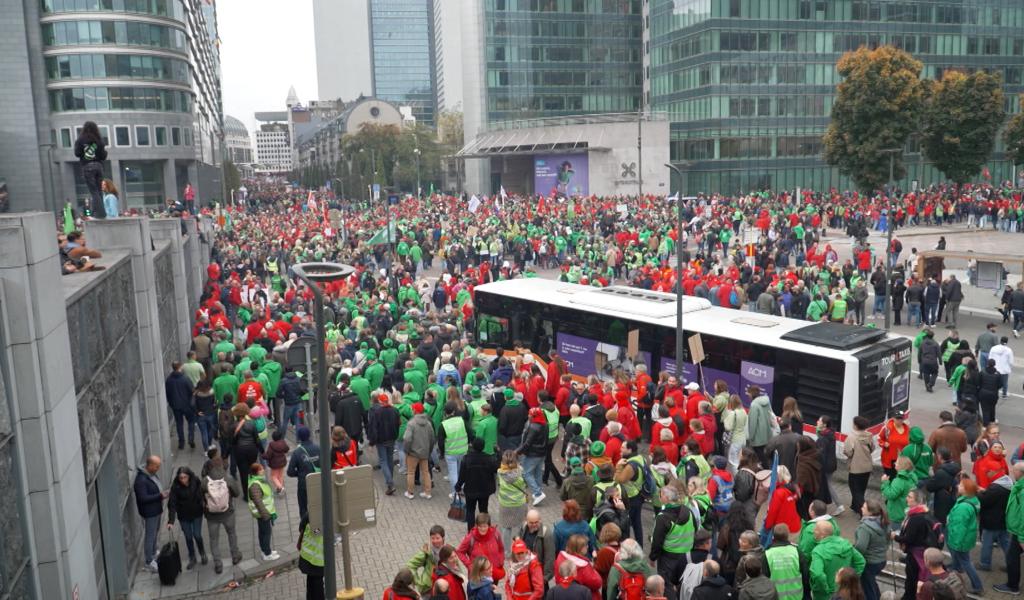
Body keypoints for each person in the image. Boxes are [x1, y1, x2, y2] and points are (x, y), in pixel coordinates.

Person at [200, 447, 242, 575]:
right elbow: (237, 493)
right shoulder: (227, 478)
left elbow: (200, 498)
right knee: (231, 533)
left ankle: (218, 564)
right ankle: (235, 555)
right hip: (228, 512)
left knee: (214, 540)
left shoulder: (204, 482)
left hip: (212, 516)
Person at [650, 484, 696, 599]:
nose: (659, 497)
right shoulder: (688, 511)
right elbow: (695, 529)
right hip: (686, 556)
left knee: (667, 586)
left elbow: (657, 541)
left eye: (661, 495)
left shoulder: (662, 517)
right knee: (682, 583)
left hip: (668, 558)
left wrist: (652, 557)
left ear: (666, 498)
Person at [807, 521, 865, 600]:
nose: (813, 531)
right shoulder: (845, 544)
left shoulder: (818, 551)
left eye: (816, 529)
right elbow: (861, 562)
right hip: (844, 591)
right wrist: (851, 580)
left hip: (825, 595)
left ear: (822, 535)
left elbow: (818, 574)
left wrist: (825, 589)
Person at [945, 478, 983, 594]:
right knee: (963, 560)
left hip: (960, 540)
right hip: (966, 538)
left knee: (966, 562)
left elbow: (960, 528)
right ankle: (955, 571)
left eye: (961, 485)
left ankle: (977, 586)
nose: (958, 486)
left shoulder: (963, 507)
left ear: (966, 490)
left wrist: (956, 544)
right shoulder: (972, 500)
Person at [166, 466, 207, 569]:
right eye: (181, 478)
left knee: (197, 535)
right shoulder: (176, 487)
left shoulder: (195, 481)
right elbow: (172, 504)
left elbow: (201, 494)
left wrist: (204, 503)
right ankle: (192, 557)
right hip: (184, 516)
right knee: (188, 537)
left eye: (185, 477)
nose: (183, 480)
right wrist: (171, 521)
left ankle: (202, 553)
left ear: (189, 476)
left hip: (197, 513)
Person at [893, 489, 931, 600]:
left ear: (917, 501)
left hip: (915, 554)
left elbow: (908, 539)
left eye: (910, 497)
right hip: (920, 550)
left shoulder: (915, 518)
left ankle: (909, 597)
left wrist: (895, 537)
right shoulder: (923, 513)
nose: (907, 499)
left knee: (911, 579)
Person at [993, 461, 1024, 595]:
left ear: (1020, 473)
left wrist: (1022, 537)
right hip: (1017, 530)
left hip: (1020, 532)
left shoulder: (1022, 491)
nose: (1012, 472)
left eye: (1014, 470)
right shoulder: (1020, 486)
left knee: (1012, 558)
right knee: (1012, 557)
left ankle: (1012, 586)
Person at [456, 438, 499, 531]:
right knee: (483, 510)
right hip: (484, 490)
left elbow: (462, 476)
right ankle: (487, 530)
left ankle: (471, 532)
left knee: (470, 511)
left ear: (473, 446)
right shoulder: (489, 458)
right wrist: (498, 453)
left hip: (470, 490)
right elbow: (497, 468)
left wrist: (458, 486)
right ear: (483, 447)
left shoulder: (466, 458)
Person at [133, 455, 167, 572]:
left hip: (156, 509)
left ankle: (153, 552)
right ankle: (149, 561)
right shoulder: (141, 480)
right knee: (150, 535)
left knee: (155, 532)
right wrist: (160, 495)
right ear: (150, 465)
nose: (158, 468)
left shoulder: (150, 474)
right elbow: (143, 498)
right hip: (150, 512)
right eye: (157, 466)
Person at [978, 469, 1013, 572]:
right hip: (1004, 519)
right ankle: (1011, 564)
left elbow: (984, 501)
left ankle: (985, 564)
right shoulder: (1008, 483)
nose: (986, 474)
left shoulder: (995, 488)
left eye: (987, 472)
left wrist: (978, 493)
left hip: (991, 520)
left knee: (987, 543)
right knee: (1006, 543)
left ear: (993, 472)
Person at [853, 500, 888, 600]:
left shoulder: (865, 528)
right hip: (881, 560)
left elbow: (860, 547)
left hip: (869, 563)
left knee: (867, 589)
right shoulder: (884, 522)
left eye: (864, 507)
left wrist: (852, 555)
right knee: (871, 583)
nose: (861, 508)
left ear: (870, 512)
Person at [456, 514, 506, 583]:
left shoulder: (495, 534)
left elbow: (501, 548)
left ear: (489, 526)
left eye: (485, 526)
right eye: (480, 526)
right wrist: (469, 565)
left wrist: (501, 560)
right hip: (478, 575)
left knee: (492, 588)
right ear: (476, 526)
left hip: (493, 573)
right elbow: (460, 552)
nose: (482, 529)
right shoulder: (470, 538)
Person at [368, 393, 401, 496]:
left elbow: (374, 428)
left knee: (383, 461)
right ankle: (390, 479)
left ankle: (390, 483)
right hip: (392, 439)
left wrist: (372, 442)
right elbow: (398, 423)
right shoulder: (395, 410)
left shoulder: (377, 412)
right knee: (390, 459)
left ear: (380, 401)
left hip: (381, 440)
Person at [517, 407, 550, 506]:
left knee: (526, 473)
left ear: (534, 416)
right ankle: (538, 491)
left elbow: (527, 443)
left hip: (533, 454)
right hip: (542, 453)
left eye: (530, 415)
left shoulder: (533, 427)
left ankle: (538, 493)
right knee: (538, 473)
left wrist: (518, 452)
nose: (528, 416)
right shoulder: (545, 424)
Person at [75, 120, 108, 218]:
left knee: (93, 191)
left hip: (87, 166)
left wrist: (85, 152)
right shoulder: (99, 140)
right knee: (99, 191)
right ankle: (96, 213)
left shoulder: (80, 140)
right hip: (98, 166)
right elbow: (103, 156)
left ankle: (101, 213)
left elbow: (77, 153)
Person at [553, 534, 602, 600]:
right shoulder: (583, 566)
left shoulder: (561, 558)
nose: (587, 547)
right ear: (580, 548)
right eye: (585, 545)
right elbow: (597, 583)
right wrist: (593, 569)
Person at [286, 425, 320, 520]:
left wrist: (300, 473)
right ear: (309, 435)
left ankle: (306, 526)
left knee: (304, 507)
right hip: (318, 481)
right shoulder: (318, 448)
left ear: (299, 437)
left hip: (304, 484)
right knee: (318, 505)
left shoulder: (297, 452)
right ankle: (319, 524)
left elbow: (290, 472)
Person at [843, 416, 875, 516]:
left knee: (856, 491)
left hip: (855, 468)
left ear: (856, 426)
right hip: (867, 467)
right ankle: (855, 506)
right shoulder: (869, 435)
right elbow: (872, 448)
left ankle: (864, 512)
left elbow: (848, 452)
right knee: (861, 489)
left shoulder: (852, 437)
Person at [247, 462, 279, 561]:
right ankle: (267, 554)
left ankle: (264, 550)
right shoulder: (255, 485)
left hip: (264, 512)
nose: (263, 470)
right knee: (266, 533)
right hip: (263, 514)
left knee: (262, 532)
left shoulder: (258, 480)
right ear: (256, 472)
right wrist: (266, 515)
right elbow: (258, 502)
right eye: (261, 469)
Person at [404, 401, 436, 499]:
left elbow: (407, 439)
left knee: (411, 472)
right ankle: (427, 492)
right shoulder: (428, 423)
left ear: (415, 410)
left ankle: (410, 493)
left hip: (413, 453)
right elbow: (432, 438)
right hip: (425, 452)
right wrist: (429, 450)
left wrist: (407, 450)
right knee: (426, 472)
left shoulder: (411, 423)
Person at [441, 400, 472, 498]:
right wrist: (468, 443)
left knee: (453, 473)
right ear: (454, 411)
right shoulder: (462, 421)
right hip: (463, 450)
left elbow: (440, 441)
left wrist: (442, 452)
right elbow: (470, 433)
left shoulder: (443, 425)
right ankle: (462, 488)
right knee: (461, 472)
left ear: (445, 412)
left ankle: (455, 494)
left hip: (450, 452)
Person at [764, 525, 803, 600]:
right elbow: (805, 574)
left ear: (773, 536)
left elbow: (765, 578)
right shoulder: (797, 552)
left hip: (775, 596)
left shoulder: (767, 554)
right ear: (788, 535)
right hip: (796, 596)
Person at [517, 509, 556, 582]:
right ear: (527, 521)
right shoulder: (524, 527)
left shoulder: (546, 534)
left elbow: (550, 557)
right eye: (531, 523)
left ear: (540, 520)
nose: (534, 525)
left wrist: (545, 578)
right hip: (525, 570)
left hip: (539, 573)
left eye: (536, 522)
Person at [166, 361, 196, 450]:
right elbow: (192, 391)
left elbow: (168, 394)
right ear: (180, 367)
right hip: (187, 405)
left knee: (179, 424)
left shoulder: (169, 380)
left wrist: (171, 403)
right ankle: (191, 438)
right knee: (191, 421)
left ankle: (181, 443)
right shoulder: (185, 378)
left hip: (175, 406)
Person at [409, 525, 448, 596]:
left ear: (443, 538)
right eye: (432, 538)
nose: (435, 541)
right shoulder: (426, 552)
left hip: (444, 586)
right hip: (428, 589)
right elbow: (410, 565)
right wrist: (418, 582)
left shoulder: (448, 550)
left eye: (437, 538)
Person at [880, 456, 917, 528]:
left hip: (897, 513)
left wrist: (885, 482)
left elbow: (890, 495)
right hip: (905, 510)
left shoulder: (899, 481)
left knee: (895, 531)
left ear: (901, 465)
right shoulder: (910, 477)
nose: (894, 463)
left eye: (897, 462)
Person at [765, 465, 801, 538]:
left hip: (782, 530)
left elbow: (772, 512)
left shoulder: (779, 493)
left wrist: (767, 526)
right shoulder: (792, 489)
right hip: (794, 526)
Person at [297, 517, 326, 600]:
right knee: (317, 584)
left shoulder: (309, 514)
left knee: (311, 580)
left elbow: (301, 527)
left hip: (307, 555)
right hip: (316, 560)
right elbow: (316, 532)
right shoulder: (320, 523)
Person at [878, 411, 910, 480]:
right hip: (890, 459)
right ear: (893, 418)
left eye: (901, 418)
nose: (900, 420)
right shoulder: (887, 428)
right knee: (890, 478)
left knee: (900, 479)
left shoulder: (907, 429)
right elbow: (879, 438)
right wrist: (884, 444)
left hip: (902, 459)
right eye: (897, 418)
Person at [263, 429, 289, 494]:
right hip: (282, 462)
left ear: (273, 438)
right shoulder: (283, 442)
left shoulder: (271, 445)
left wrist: (263, 455)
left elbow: (268, 455)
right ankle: (279, 490)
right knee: (280, 476)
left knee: (273, 477)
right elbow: (287, 449)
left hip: (275, 464)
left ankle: (281, 488)